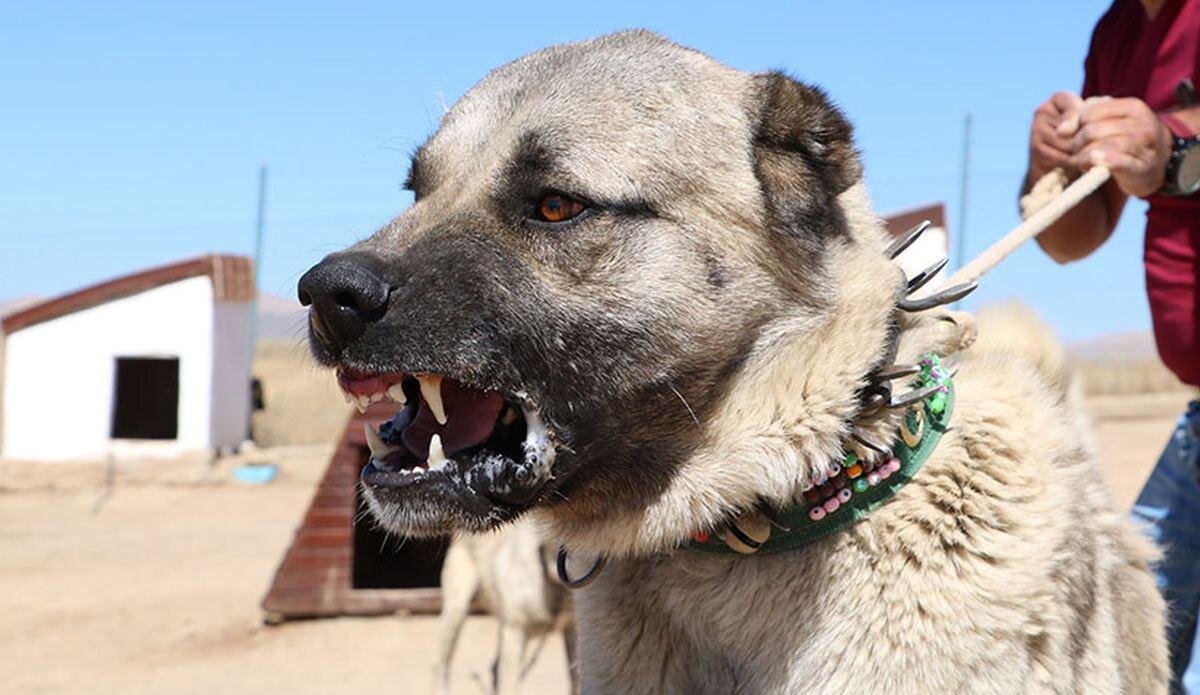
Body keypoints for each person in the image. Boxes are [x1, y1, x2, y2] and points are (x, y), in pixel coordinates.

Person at [1022, 0, 1200, 690]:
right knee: (1131, 646)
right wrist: (1049, 169)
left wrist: (1173, 152)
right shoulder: (1117, 34)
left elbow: (1167, 157)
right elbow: (1076, 236)